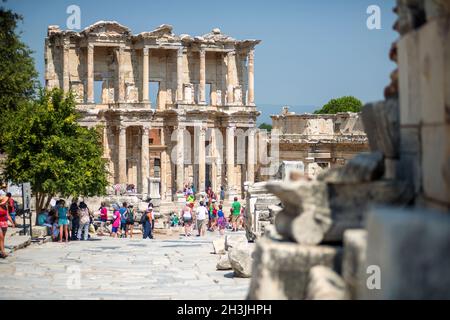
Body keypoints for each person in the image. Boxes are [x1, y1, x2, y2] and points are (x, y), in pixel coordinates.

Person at [0, 194, 15, 258]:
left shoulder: (5, 207)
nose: (7, 202)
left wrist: (12, 223)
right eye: (5, 201)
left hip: (4, 223)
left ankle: (1, 251)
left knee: (2, 238)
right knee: (1, 238)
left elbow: (8, 215)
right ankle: (3, 252)